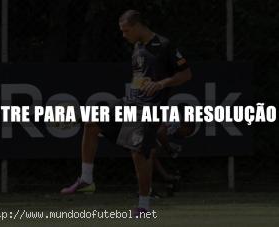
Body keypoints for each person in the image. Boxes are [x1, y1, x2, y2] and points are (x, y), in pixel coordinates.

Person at [60, 9, 192, 214]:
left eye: (126, 31)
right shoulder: (137, 47)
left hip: (149, 110)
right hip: (129, 104)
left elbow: (186, 74)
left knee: (139, 153)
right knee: (92, 119)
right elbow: (139, 78)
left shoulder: (164, 45)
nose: (124, 35)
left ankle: (144, 206)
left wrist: (162, 83)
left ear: (138, 26)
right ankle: (86, 179)